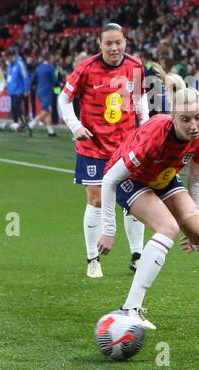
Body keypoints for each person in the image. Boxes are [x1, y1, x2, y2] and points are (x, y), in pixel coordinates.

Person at [97, 73, 199, 328]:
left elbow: (196, 180)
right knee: (168, 227)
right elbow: (110, 180)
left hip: (164, 177)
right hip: (131, 179)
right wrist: (108, 229)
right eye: (185, 120)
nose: (193, 125)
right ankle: (130, 309)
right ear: (173, 118)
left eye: (198, 118)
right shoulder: (154, 136)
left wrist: (195, 219)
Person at [57, 22, 149, 277]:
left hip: (126, 145)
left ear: (125, 42)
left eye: (118, 42)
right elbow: (63, 99)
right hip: (93, 146)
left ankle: (137, 255)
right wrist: (75, 125)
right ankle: (92, 258)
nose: (114, 47)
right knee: (96, 200)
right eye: (108, 43)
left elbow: (140, 99)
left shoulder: (136, 66)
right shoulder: (85, 68)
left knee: (133, 201)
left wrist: (145, 128)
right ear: (100, 44)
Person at [6, 49, 31, 134]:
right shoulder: (10, 65)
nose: (8, 60)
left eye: (9, 57)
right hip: (12, 91)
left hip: (19, 91)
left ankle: (24, 123)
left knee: (17, 107)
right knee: (14, 108)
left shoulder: (20, 64)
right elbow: (9, 79)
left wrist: (26, 89)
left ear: (13, 56)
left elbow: (25, 77)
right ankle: (16, 125)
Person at [32, 55, 57, 137]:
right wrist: (59, 83)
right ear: (49, 59)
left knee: (49, 109)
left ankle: (50, 131)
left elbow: (33, 79)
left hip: (39, 90)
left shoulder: (38, 67)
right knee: (46, 110)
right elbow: (54, 80)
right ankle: (31, 124)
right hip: (47, 91)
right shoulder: (50, 67)